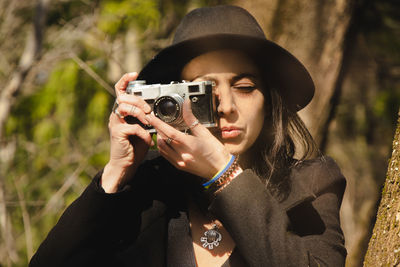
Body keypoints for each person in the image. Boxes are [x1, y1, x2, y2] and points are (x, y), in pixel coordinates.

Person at [29, 5, 346, 267]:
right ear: (173, 99)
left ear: (269, 99)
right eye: (204, 91)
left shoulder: (312, 183)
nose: (227, 107)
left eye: (245, 87)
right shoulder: (147, 186)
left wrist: (225, 177)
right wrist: (114, 177)